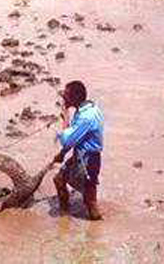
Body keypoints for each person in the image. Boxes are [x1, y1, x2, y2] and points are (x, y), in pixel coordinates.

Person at [52, 80, 104, 221]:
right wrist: (62, 154)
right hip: (82, 155)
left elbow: (68, 139)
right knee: (58, 179)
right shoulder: (88, 109)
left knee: (91, 203)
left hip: (88, 160)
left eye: (66, 95)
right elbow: (77, 138)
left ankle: (95, 234)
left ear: (75, 98)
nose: (64, 98)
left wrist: (65, 119)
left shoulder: (86, 117)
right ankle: (65, 215)